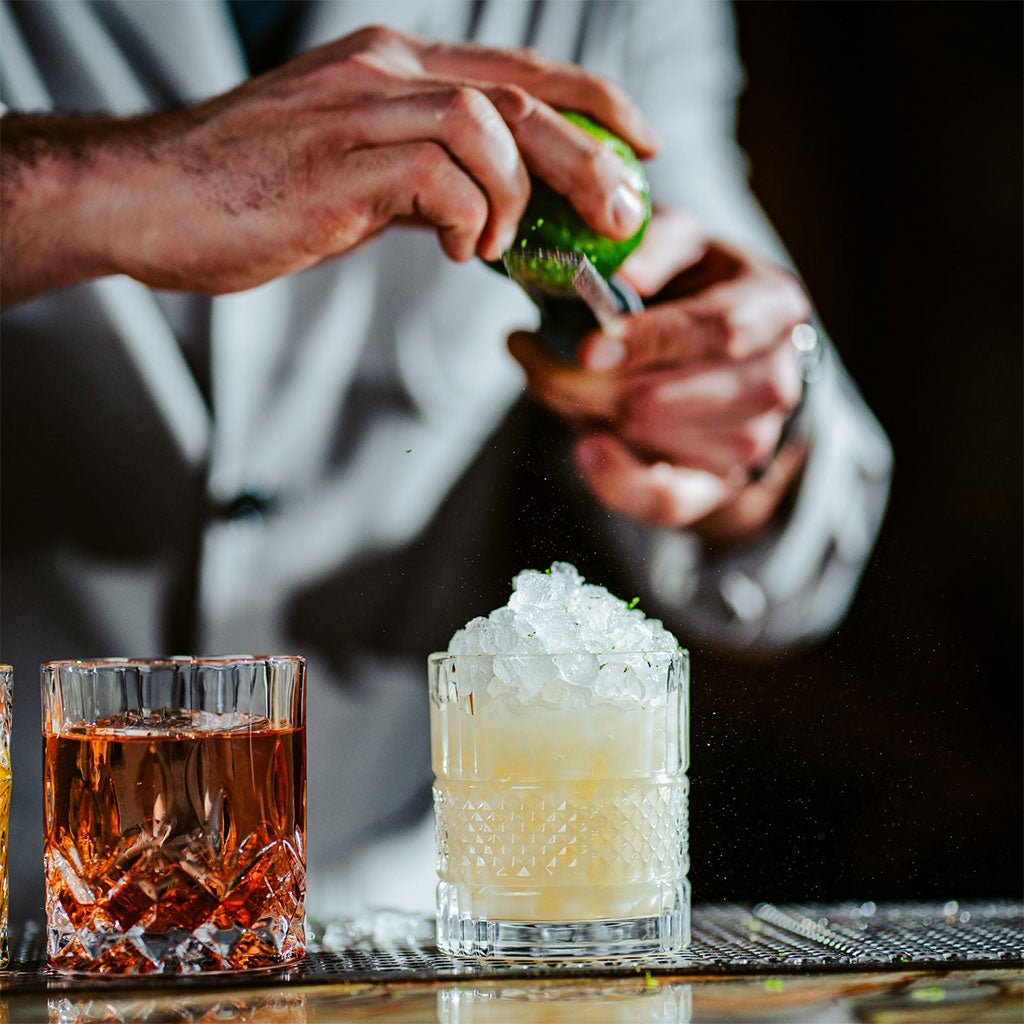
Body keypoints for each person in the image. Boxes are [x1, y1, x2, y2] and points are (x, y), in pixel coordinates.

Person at [0, 1, 891, 920]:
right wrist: (91, 181)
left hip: (378, 932)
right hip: (15, 900)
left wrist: (747, 419)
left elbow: (807, 524)